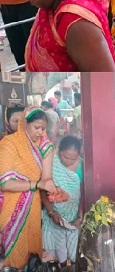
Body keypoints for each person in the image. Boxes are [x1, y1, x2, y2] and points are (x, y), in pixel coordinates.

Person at [0, 107, 57, 268]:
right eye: (36, 127)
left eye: (43, 128)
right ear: (24, 124)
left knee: (33, 252)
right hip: (12, 206)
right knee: (16, 253)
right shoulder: (9, 144)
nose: (40, 132)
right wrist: (37, 184)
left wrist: (53, 188)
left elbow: (46, 178)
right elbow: (5, 183)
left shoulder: (44, 145)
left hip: (32, 206)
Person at [40, 135, 83, 269]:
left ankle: (68, 267)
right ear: (59, 151)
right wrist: (52, 212)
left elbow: (82, 194)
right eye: (65, 157)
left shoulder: (82, 166)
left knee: (73, 251)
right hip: (53, 212)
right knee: (55, 250)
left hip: (72, 214)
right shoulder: (52, 163)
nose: (69, 161)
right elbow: (43, 191)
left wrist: (80, 216)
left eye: (73, 159)